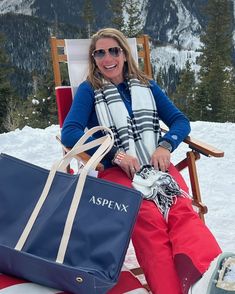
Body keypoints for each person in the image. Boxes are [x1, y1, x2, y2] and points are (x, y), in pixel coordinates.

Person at [61, 28, 235, 294]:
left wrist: (166, 145)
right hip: (118, 170)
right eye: (100, 52)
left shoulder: (147, 86)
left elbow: (180, 121)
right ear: (93, 58)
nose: (108, 58)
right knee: (148, 221)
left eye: (113, 50)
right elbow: (70, 132)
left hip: (156, 166)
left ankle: (211, 279)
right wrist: (115, 155)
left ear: (124, 53)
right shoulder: (89, 91)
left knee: (182, 212)